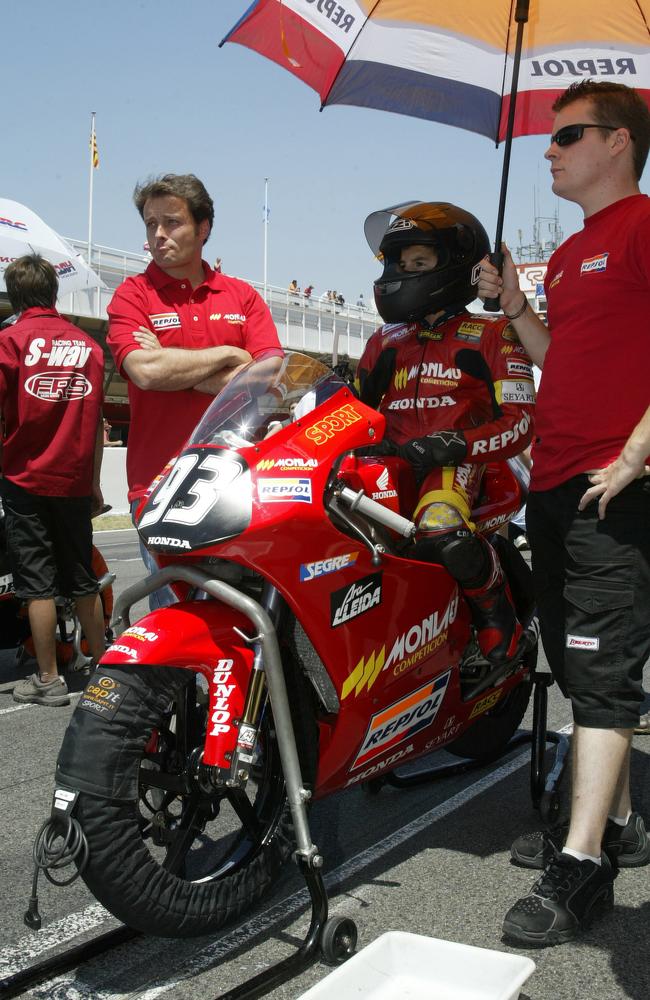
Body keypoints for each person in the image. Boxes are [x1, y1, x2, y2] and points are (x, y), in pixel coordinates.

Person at [479, 80, 650, 947]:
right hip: (552, 482)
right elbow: (556, 361)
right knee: (576, 664)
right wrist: (516, 308)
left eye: (567, 134)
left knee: (601, 663)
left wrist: (634, 454)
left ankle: (584, 866)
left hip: (611, 484)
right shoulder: (576, 250)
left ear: (618, 142)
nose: (548, 148)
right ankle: (622, 823)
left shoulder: (645, 225)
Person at [356, 201, 536, 668]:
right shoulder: (384, 342)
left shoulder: (495, 333)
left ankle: (497, 612)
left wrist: (455, 443)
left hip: (463, 465)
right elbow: (350, 408)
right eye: (399, 263)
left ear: (456, 265)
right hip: (390, 467)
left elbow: (521, 423)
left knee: (439, 526)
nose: (403, 272)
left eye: (419, 263)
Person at [106, 174, 282, 605]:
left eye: (172, 222)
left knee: (242, 618)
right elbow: (145, 371)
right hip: (158, 485)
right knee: (174, 621)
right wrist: (230, 355)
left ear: (204, 228)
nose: (158, 235)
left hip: (239, 479)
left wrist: (176, 367)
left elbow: (270, 375)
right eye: (150, 224)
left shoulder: (241, 296)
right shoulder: (132, 296)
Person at [0, 255, 106, 706]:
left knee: (36, 584)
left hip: (24, 478)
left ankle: (48, 679)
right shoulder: (90, 345)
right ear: (54, 292)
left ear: (14, 294)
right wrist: (96, 482)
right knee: (82, 577)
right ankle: (105, 672)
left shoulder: (9, 342)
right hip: (76, 479)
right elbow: (99, 420)